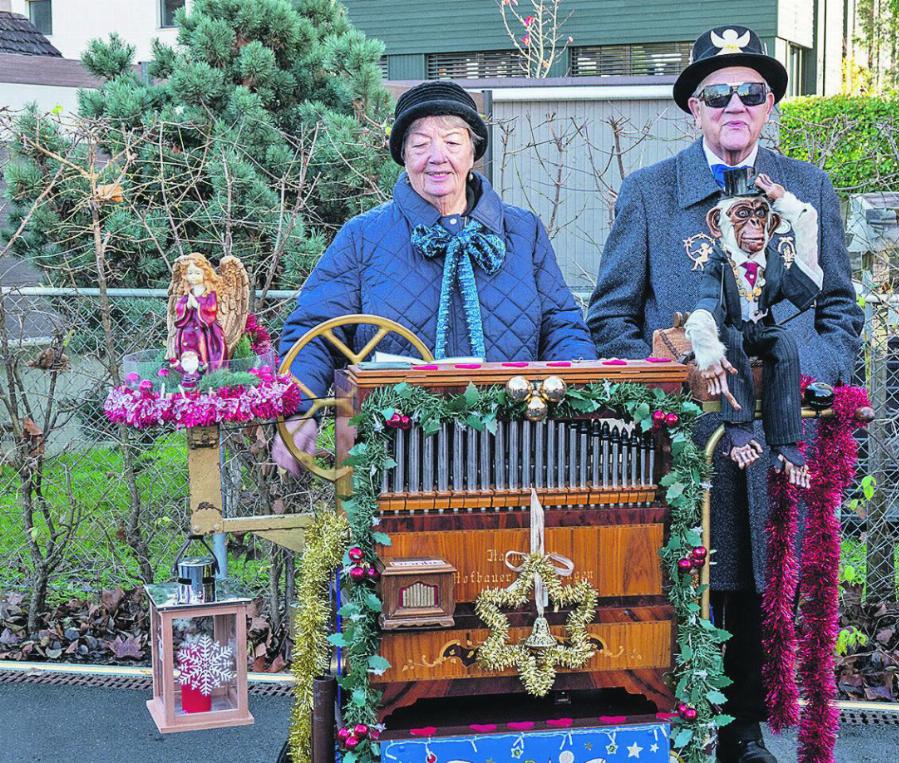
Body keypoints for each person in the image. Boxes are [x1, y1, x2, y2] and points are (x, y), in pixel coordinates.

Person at [587, 25, 863, 763]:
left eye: (751, 92)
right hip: (686, 428)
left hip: (781, 427)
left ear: (769, 105)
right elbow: (610, 317)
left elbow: (840, 309)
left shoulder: (807, 191)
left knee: (759, 585)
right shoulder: (650, 192)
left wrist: (808, 378)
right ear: (695, 109)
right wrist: (670, 374)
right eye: (717, 93)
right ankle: (669, 726)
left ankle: (741, 730)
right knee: (682, 573)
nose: (734, 104)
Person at [273, 81, 596, 474]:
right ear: (404, 156)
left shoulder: (522, 231)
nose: (437, 157)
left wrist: (579, 397)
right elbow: (315, 330)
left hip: (518, 450)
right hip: (397, 458)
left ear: (474, 151)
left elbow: (561, 324)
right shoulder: (364, 236)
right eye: (421, 144)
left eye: (452, 142)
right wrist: (301, 411)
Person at [686, 171, 822, 489]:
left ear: (772, 224)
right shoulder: (720, 264)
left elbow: (803, 284)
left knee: (784, 341)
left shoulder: (772, 261)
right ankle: (738, 430)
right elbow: (709, 304)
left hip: (759, 328)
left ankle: (785, 443)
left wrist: (785, 203)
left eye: (761, 216)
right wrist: (704, 337)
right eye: (743, 216)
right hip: (731, 329)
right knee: (730, 338)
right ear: (718, 224)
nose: (754, 227)